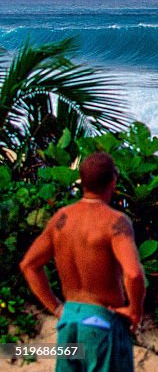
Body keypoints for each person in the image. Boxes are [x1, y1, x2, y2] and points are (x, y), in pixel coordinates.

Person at [19, 152, 145, 372]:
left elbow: (29, 265)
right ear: (113, 181)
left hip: (69, 322)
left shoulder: (62, 218)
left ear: (82, 181)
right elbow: (133, 274)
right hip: (101, 323)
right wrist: (135, 311)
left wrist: (56, 308)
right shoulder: (115, 221)